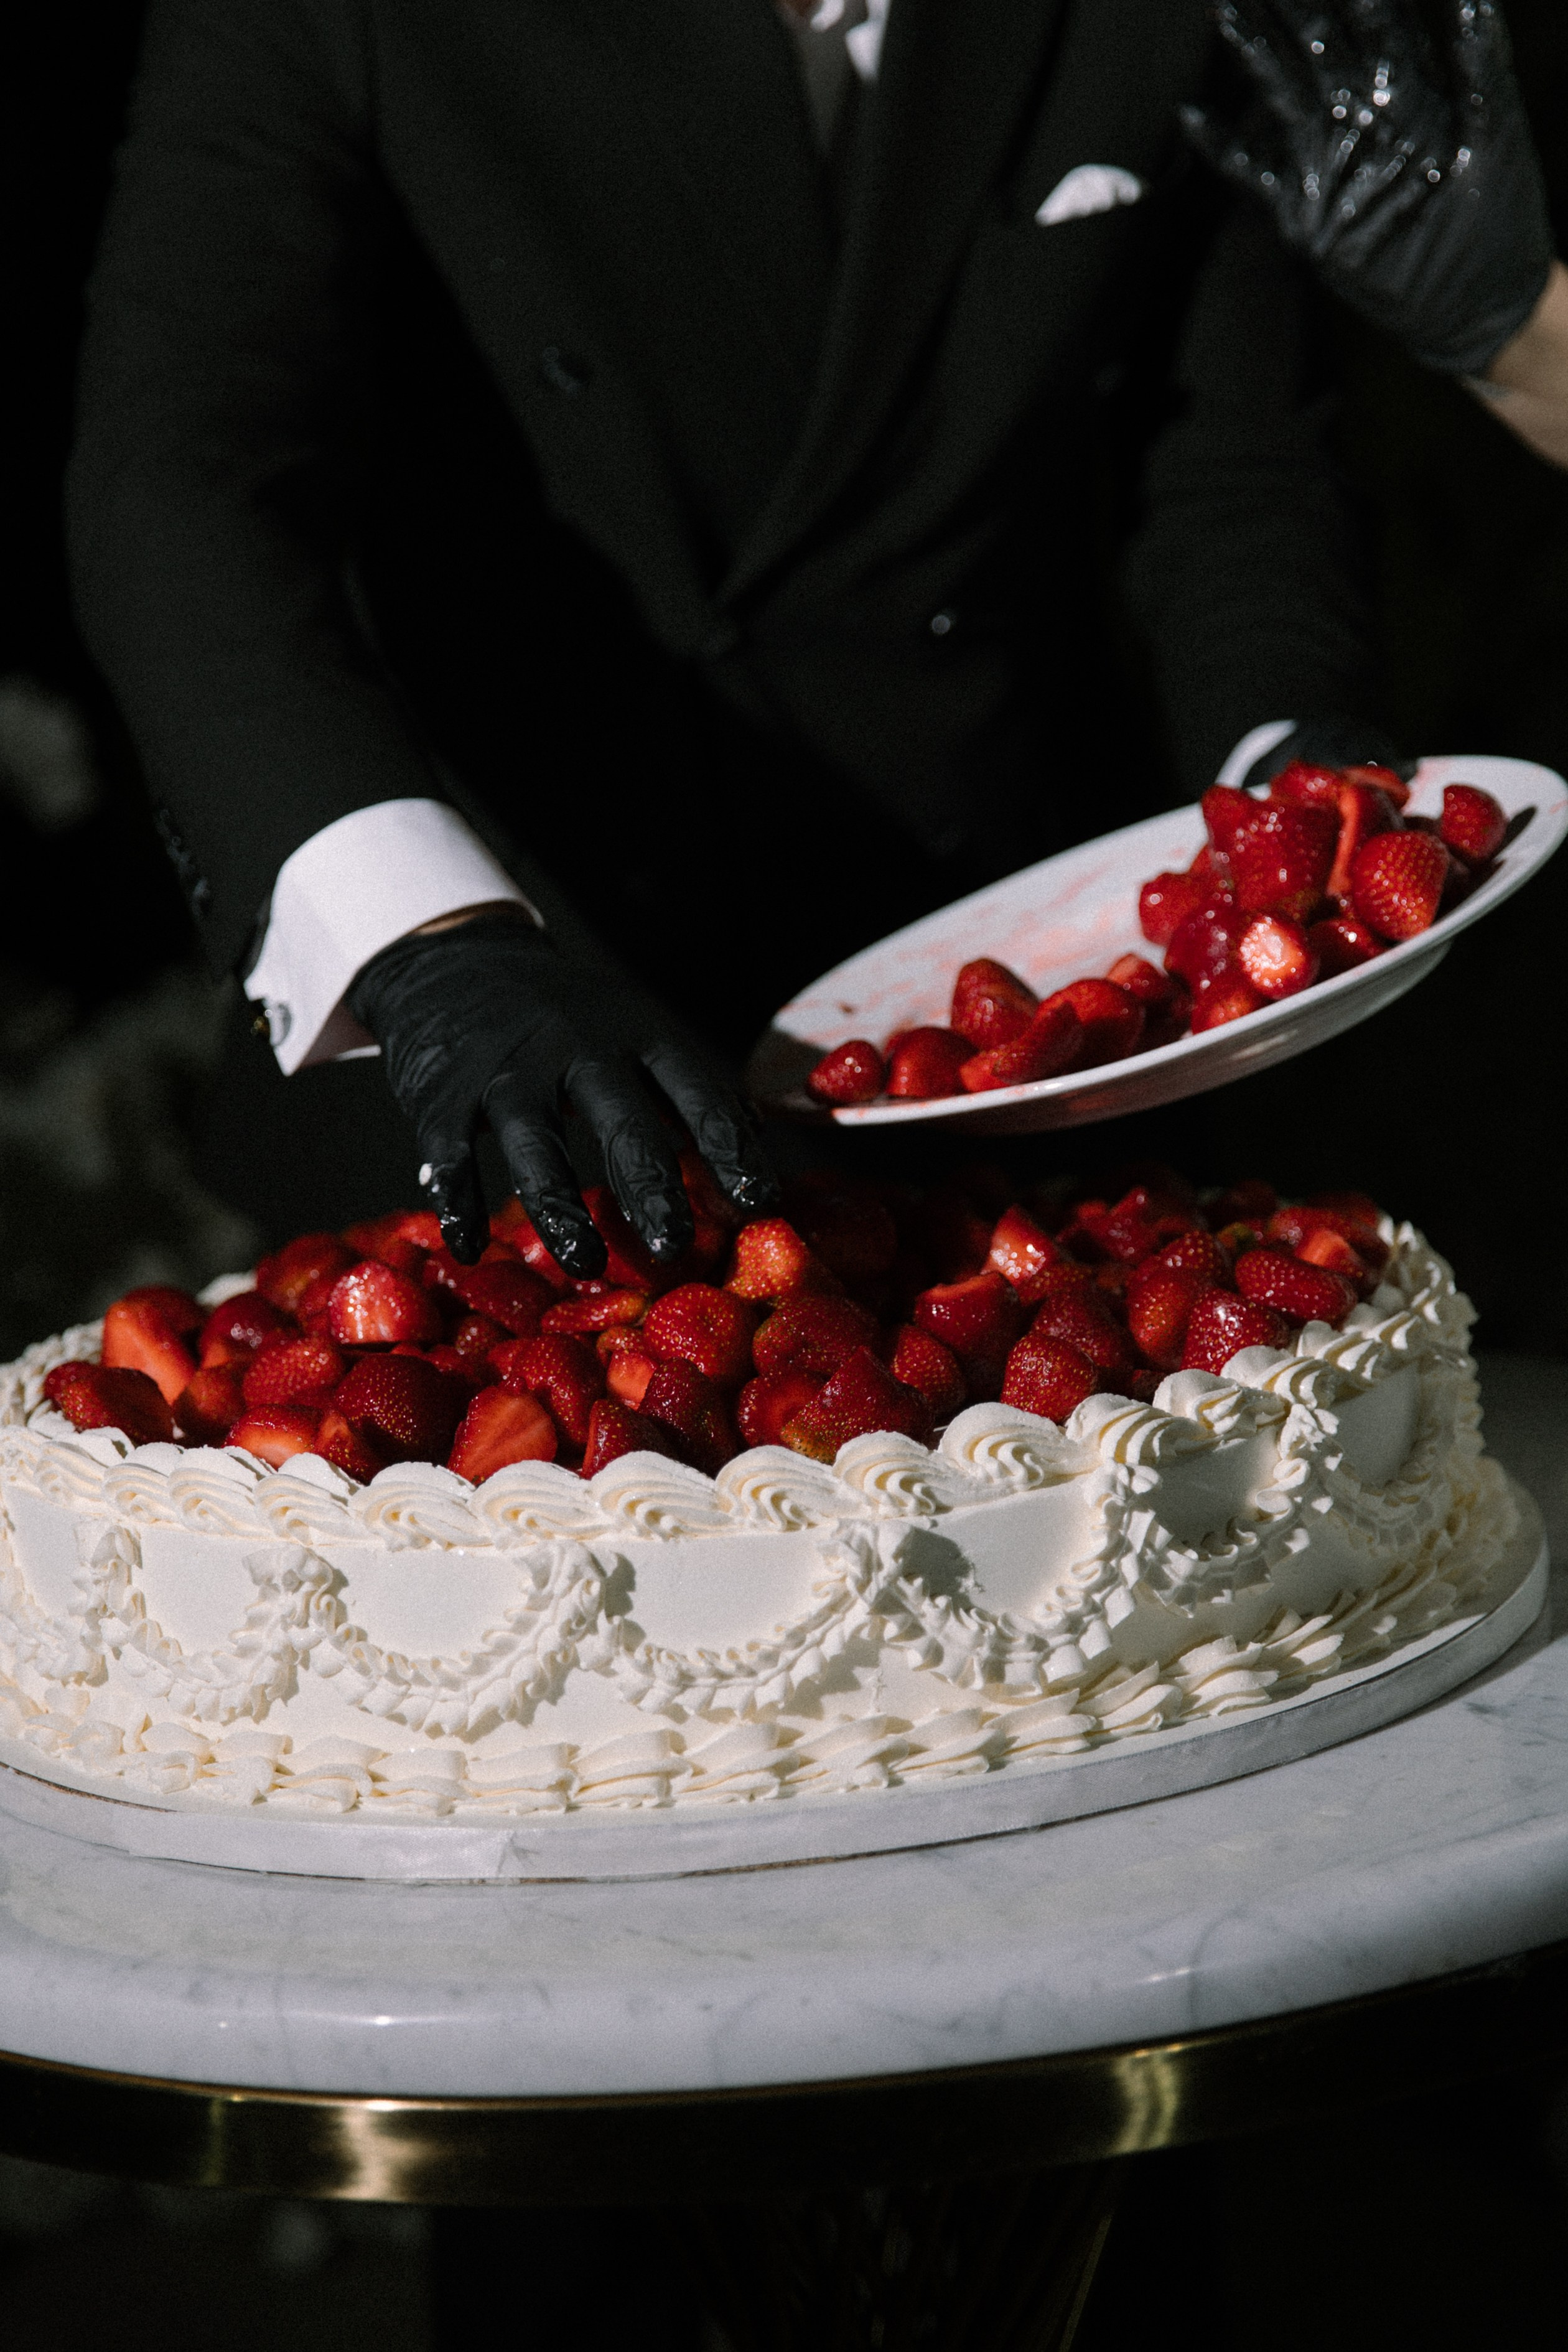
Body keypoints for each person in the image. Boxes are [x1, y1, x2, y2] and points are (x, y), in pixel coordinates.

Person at [67, 0, 1562, 1277]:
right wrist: (424, 941)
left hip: (1014, 1045)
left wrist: (1290, 772)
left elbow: (1228, 459)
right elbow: (179, 481)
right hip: (504, 1029)